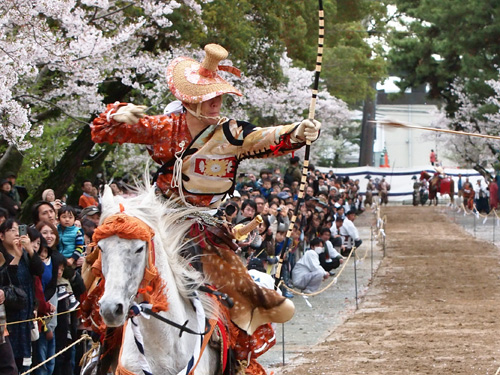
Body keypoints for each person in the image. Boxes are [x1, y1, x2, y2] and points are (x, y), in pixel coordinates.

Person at [90, 43, 321, 371]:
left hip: (206, 229)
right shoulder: (166, 128)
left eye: (219, 97)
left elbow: (267, 137)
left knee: (237, 293)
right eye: (207, 97)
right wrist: (116, 114)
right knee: (110, 269)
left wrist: (297, 132)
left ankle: (231, 358)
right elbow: (104, 132)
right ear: (189, 101)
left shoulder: (232, 132)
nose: (216, 103)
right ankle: (104, 354)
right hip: (162, 218)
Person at [0, 219, 45, 372]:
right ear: (1, 236)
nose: (16, 233)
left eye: (17, 229)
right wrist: (16, 258)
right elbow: (5, 281)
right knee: (9, 361)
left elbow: (40, 271)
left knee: (26, 360)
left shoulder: (25, 254)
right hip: (9, 316)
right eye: (11, 230)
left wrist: (30, 251)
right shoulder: (1, 256)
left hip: (26, 314)